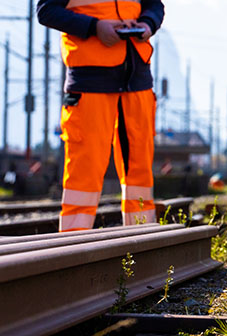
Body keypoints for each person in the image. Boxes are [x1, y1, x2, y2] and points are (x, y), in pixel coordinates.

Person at [37, 0, 164, 231]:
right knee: (84, 170)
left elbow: (154, 5)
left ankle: (142, 239)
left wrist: (147, 24)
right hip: (90, 79)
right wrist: (95, 27)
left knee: (140, 171)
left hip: (137, 76)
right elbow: (46, 11)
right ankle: (73, 245)